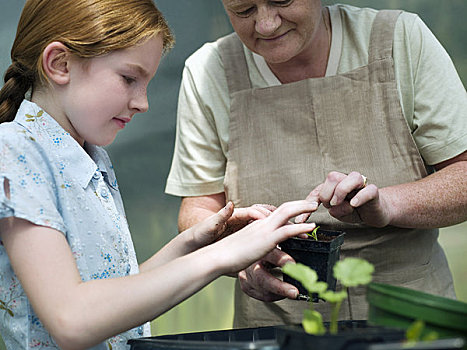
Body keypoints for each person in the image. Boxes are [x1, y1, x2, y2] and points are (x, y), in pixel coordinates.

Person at [0, 0, 320, 349]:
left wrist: (195, 244)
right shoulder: (14, 152)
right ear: (60, 64)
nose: (143, 102)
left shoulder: (90, 159)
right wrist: (222, 257)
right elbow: (72, 319)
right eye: (129, 79)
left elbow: (118, 292)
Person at [165, 0, 467, 328]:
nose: (265, 24)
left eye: (281, 1)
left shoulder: (399, 39)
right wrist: (240, 255)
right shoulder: (209, 70)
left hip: (408, 320)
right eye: (244, 10)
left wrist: (388, 204)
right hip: (276, 328)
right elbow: (197, 211)